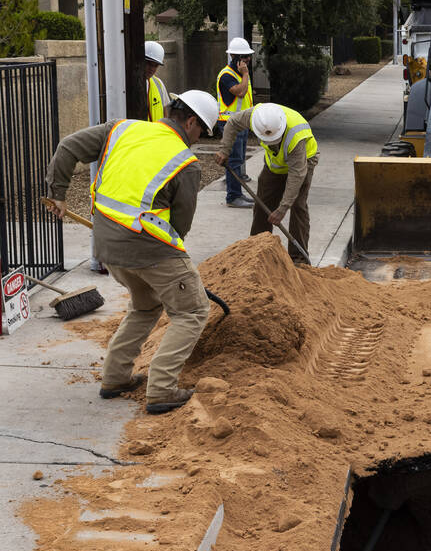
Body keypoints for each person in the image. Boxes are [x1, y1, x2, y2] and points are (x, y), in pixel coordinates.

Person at [44, 91, 220, 415]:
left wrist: (58, 193)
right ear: (192, 121)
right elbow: (181, 226)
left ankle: (115, 378)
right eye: (202, 131)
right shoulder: (185, 163)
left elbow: (68, 146)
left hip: (106, 247)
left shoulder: (122, 129)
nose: (199, 139)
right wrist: (175, 270)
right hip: (150, 249)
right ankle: (162, 390)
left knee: (146, 306)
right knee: (192, 310)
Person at [216, 102, 318, 263]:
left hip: (305, 160)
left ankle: (298, 258)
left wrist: (283, 208)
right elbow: (233, 123)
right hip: (275, 164)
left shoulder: (296, 135)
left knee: (298, 205)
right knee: (262, 204)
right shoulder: (256, 116)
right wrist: (224, 149)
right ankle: (256, 250)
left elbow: (296, 174)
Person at [215, 37, 255, 208]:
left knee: (238, 160)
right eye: (243, 56)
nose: (247, 59)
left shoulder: (239, 74)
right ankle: (233, 196)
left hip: (241, 123)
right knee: (234, 160)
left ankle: (237, 193)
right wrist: (245, 74)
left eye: (248, 56)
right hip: (230, 124)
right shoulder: (227, 75)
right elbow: (239, 92)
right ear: (233, 56)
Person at [144, 41, 168, 122]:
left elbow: (166, 112)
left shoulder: (158, 83)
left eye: (156, 65)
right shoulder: (127, 85)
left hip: (158, 134)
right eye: (149, 64)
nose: (152, 69)